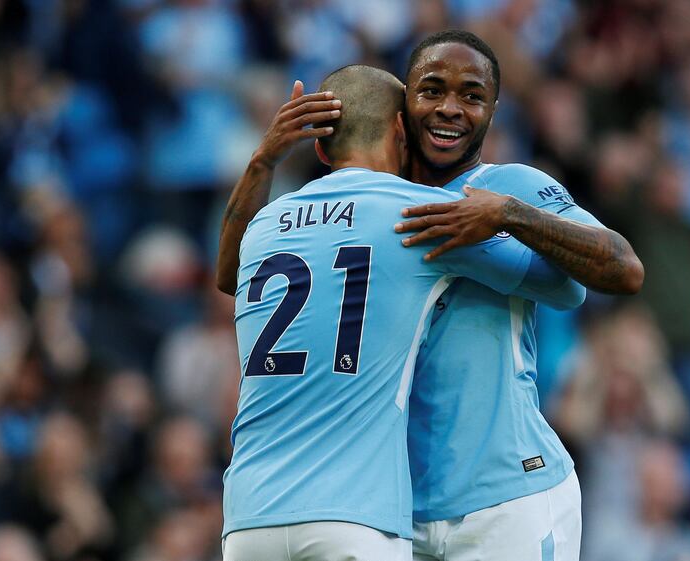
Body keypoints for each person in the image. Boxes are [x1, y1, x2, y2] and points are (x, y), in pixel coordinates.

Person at [217, 31, 644, 561]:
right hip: (391, 510)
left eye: (472, 95)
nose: (450, 108)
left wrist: (512, 213)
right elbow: (233, 275)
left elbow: (622, 269)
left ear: (493, 110)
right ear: (402, 110)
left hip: (506, 494)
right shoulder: (376, 206)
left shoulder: (511, 184)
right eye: (432, 90)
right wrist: (261, 162)